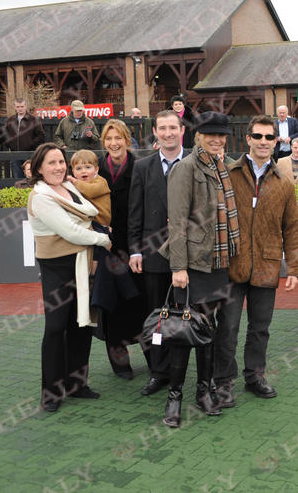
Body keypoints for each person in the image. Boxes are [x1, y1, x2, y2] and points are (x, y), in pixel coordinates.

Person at [215, 115, 298, 405]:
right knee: (227, 327)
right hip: (232, 264)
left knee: (260, 328)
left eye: (269, 137)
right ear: (248, 139)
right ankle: (224, 382)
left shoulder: (284, 182)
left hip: (267, 264)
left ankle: (254, 376)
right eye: (258, 136)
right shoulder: (228, 174)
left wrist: (295, 267)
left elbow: (291, 227)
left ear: (276, 141)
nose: (263, 142)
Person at [161, 111, 237, 427]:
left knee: (208, 331)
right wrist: (179, 266)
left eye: (221, 134)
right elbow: (176, 222)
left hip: (220, 262)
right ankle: (174, 398)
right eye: (211, 134)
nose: (217, 140)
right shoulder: (186, 169)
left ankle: (204, 392)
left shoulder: (224, 166)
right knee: (184, 330)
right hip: (194, 264)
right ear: (198, 136)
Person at [26, 143, 112, 412]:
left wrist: (91, 231)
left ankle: (77, 385)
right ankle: (51, 392)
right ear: (39, 167)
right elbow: (71, 232)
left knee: (81, 324)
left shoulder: (70, 187)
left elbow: (88, 210)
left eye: (61, 162)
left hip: (81, 263)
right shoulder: (40, 196)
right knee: (55, 328)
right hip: (57, 267)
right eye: (51, 163)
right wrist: (103, 239)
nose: (58, 167)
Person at [128, 110, 188, 396]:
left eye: (172, 128)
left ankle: (183, 369)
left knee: (186, 316)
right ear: (155, 132)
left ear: (182, 131)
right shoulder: (142, 167)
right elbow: (135, 213)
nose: (168, 133)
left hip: (188, 255)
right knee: (157, 317)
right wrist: (135, 251)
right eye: (162, 128)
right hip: (152, 256)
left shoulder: (195, 163)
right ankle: (159, 372)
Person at [97, 119, 145, 379]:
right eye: (108, 138)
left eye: (118, 138)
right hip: (107, 248)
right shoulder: (95, 170)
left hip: (137, 246)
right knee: (112, 307)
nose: (114, 143)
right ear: (103, 142)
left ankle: (153, 358)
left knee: (142, 302)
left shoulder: (141, 166)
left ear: (127, 140)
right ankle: (120, 363)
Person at [3, 98, 46, 179]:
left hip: (29, 154)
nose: (20, 109)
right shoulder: (10, 120)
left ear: (26, 106)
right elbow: (5, 136)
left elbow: (41, 136)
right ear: (15, 107)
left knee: (31, 176)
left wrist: (30, 145)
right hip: (15, 154)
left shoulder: (34, 120)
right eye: (18, 107)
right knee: (17, 177)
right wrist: (11, 146)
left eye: (22, 106)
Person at [69, 150, 112, 229]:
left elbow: (90, 191)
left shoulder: (101, 182)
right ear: (74, 172)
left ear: (96, 170)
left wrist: (74, 181)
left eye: (88, 167)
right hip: (86, 222)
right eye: (78, 169)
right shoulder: (77, 184)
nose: (83, 171)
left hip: (100, 224)